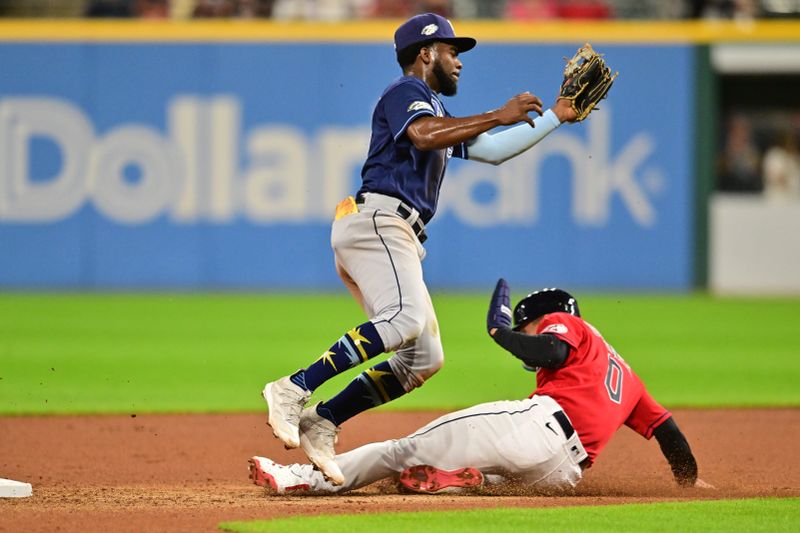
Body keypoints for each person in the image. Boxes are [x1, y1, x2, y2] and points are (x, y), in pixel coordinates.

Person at [262, 12, 585, 486]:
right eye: (453, 51)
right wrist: (499, 111)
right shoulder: (406, 94)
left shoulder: (436, 110)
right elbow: (421, 134)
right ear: (425, 53)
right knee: (405, 319)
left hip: (395, 235)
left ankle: (324, 419)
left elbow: (491, 151)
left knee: (423, 357)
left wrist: (556, 116)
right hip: (379, 222)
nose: (459, 62)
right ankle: (293, 388)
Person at [250, 281, 711, 494]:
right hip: (563, 476)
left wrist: (503, 334)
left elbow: (547, 352)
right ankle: (456, 482)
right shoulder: (626, 376)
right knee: (490, 476)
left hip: (540, 428)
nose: (531, 330)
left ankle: (300, 480)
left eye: (528, 324)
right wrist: (687, 485)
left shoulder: (567, 324)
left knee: (403, 449)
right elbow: (670, 434)